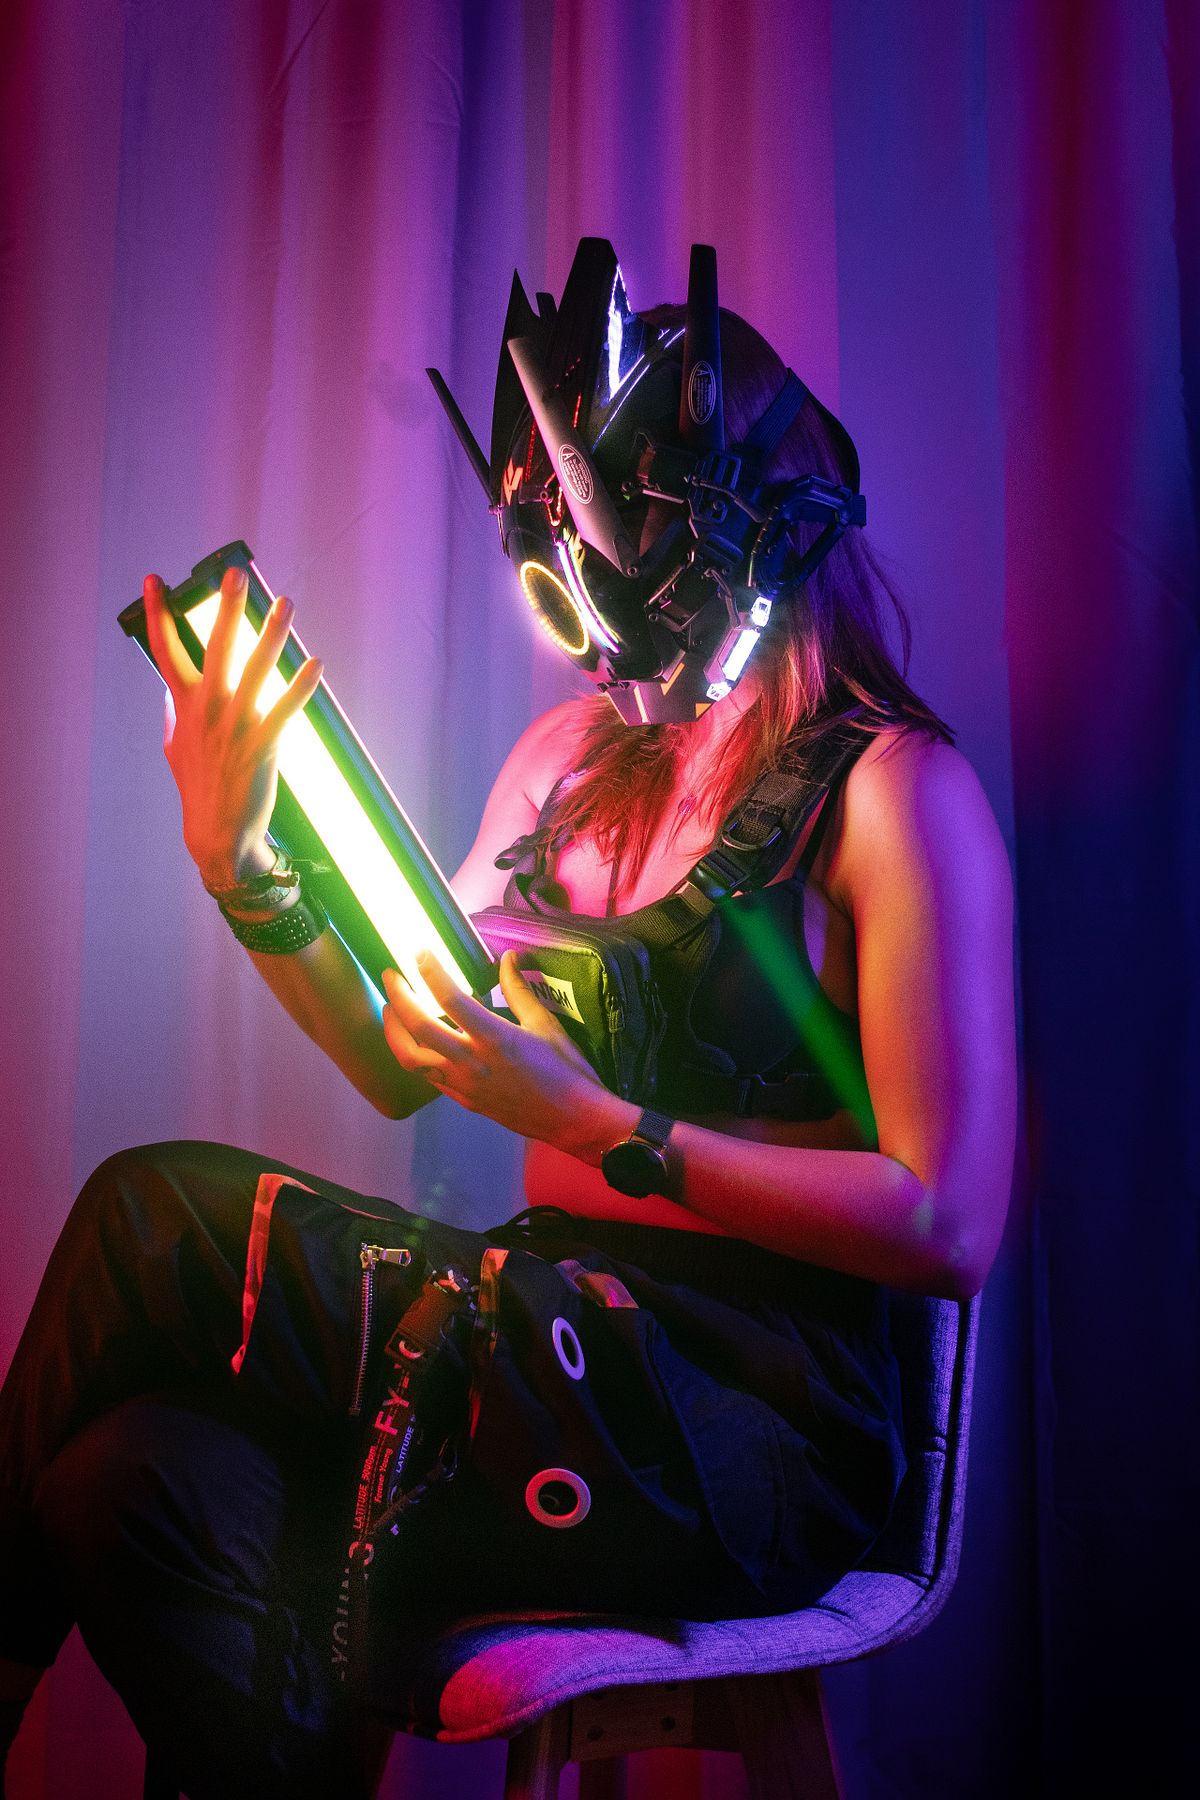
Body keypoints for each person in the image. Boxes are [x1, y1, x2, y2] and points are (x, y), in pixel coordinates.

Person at [0, 242, 1015, 1798]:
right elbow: (400, 1059)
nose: (595, 645)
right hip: (526, 1343)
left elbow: (946, 1224)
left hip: (750, 1423)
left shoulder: (894, 798)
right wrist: (242, 863)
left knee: (153, 1219)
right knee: (123, 1481)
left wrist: (604, 1129)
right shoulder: (567, 765)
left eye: (619, 587)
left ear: (732, 549)